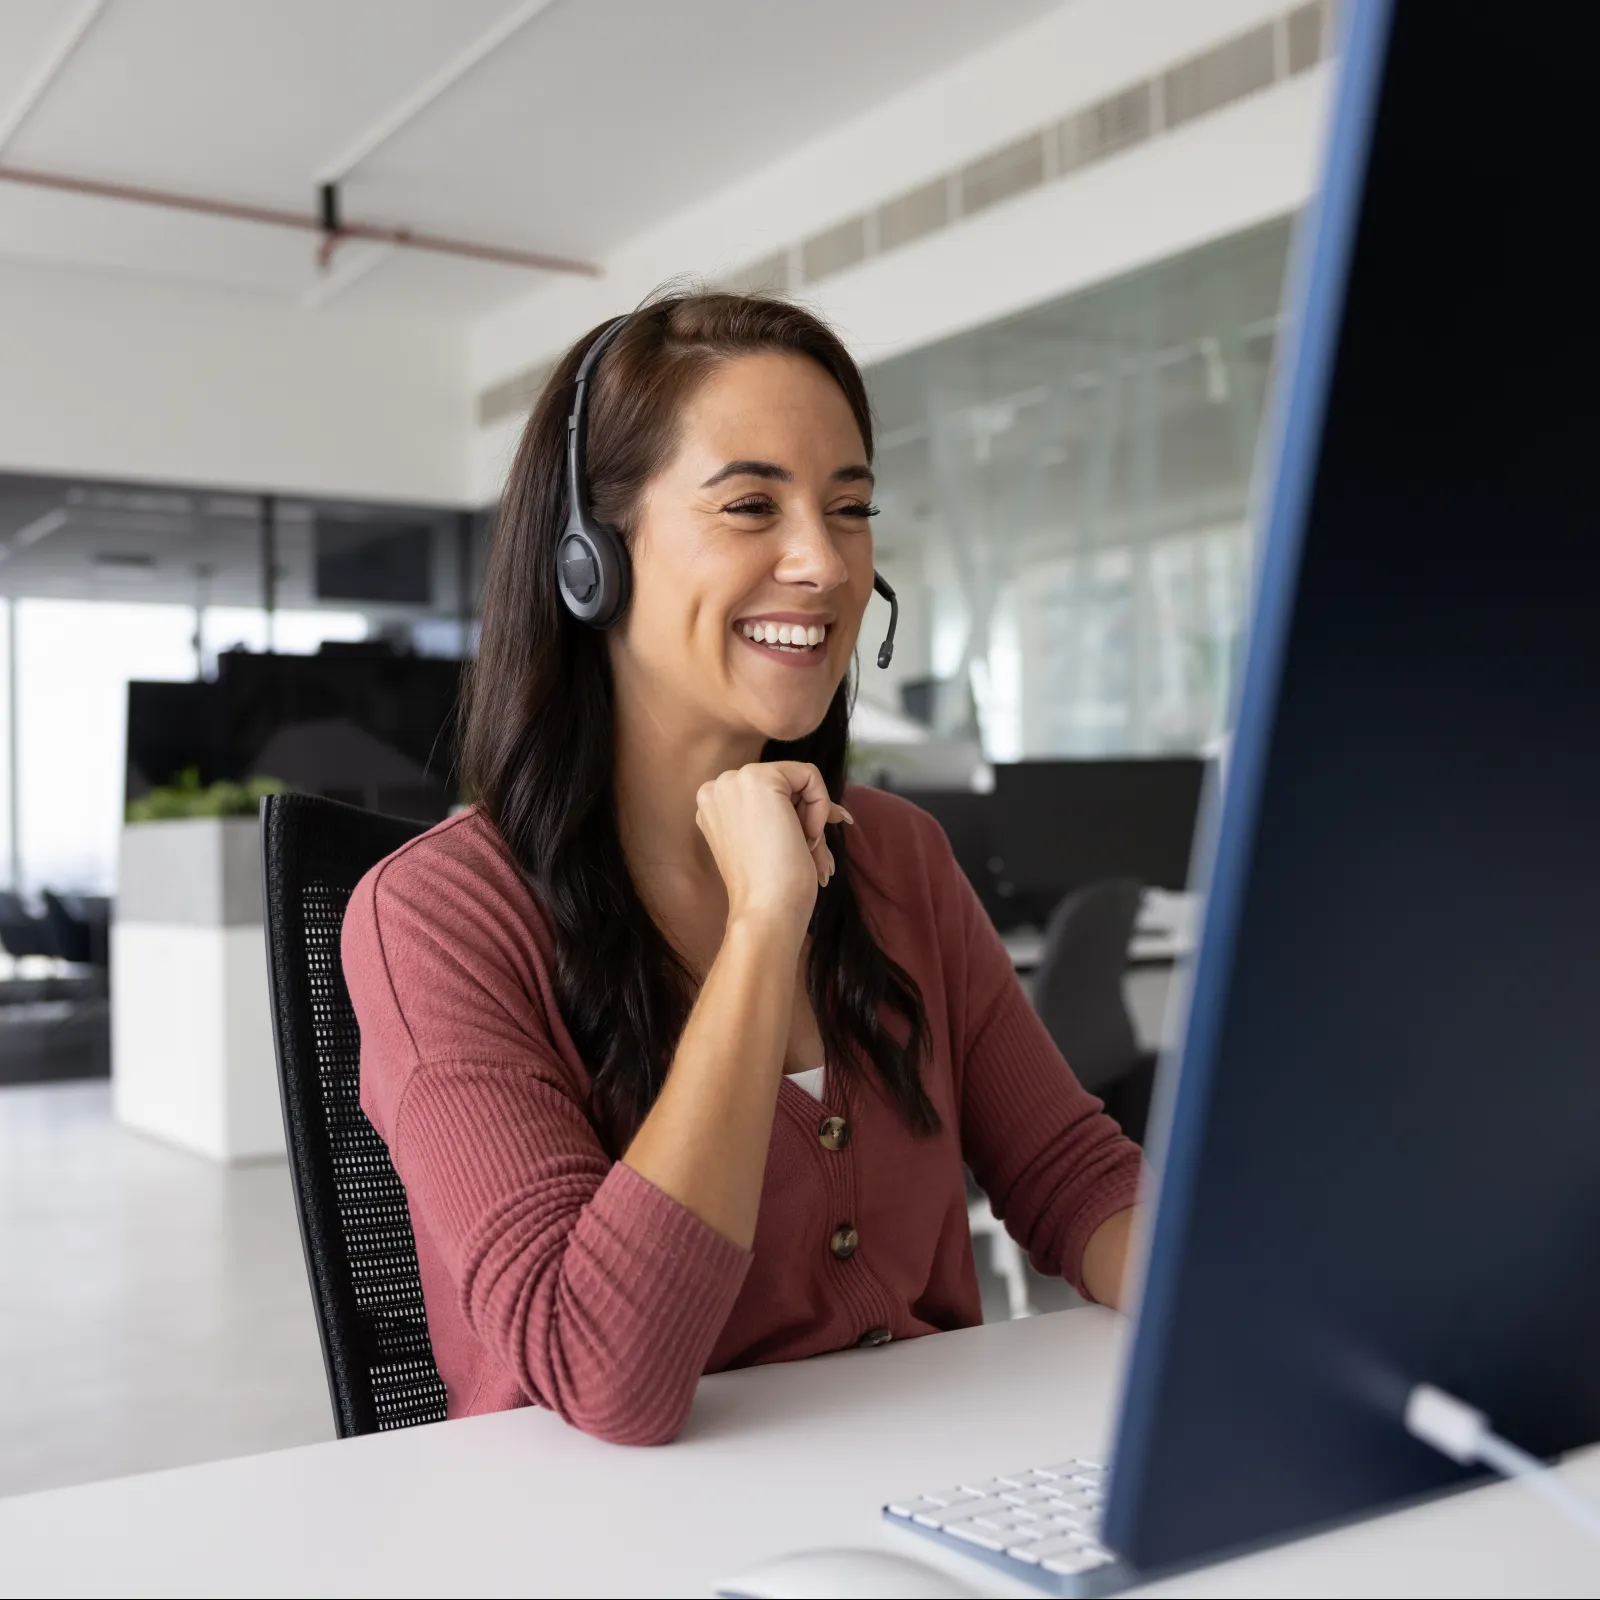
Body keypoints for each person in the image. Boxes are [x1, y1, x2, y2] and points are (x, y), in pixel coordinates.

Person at [343, 291, 1143, 1446]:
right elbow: (606, 1370)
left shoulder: (899, 857)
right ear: (590, 556)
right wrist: (767, 924)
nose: (823, 561)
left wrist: (1265, 1303)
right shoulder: (436, 915)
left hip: (922, 1493)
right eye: (750, 505)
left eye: (851, 507)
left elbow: (1076, 1180)